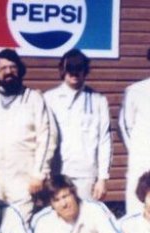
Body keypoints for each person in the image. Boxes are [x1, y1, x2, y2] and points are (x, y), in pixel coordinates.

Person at [0, 49, 56, 222]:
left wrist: (39, 174)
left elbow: (47, 138)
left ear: (20, 69)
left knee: (20, 224)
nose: (8, 72)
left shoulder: (34, 99)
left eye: (13, 67)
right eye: (3, 68)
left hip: (24, 178)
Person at [44, 49, 112, 201]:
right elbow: (43, 140)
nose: (74, 74)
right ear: (62, 70)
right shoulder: (49, 99)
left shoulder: (98, 100)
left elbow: (104, 142)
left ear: (85, 70)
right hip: (57, 174)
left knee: (85, 221)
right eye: (70, 69)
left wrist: (102, 179)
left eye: (79, 69)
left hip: (87, 176)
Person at [119, 55, 150, 214]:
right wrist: (138, 151)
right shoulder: (135, 91)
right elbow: (125, 125)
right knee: (137, 202)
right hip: (142, 158)